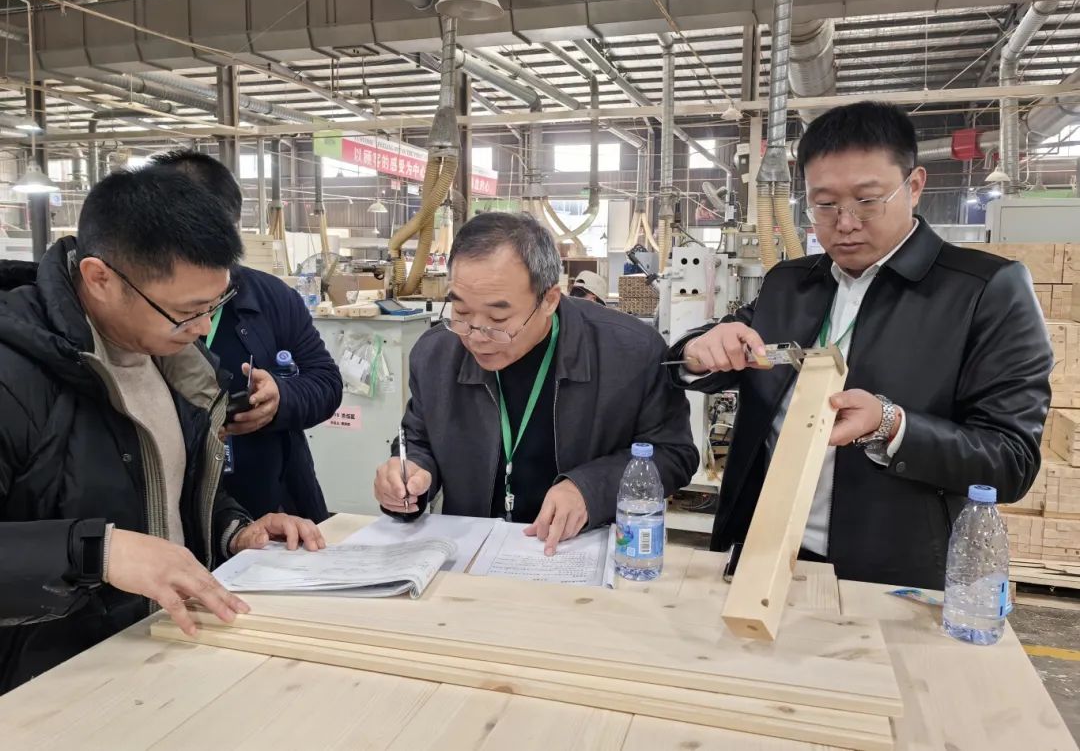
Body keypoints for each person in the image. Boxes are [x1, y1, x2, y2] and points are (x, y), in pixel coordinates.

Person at [668, 101, 1053, 589]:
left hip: (892, 571)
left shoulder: (984, 290)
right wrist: (699, 350)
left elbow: (1011, 461)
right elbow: (703, 355)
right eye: (825, 204)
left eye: (867, 200)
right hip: (761, 552)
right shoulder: (789, 283)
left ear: (914, 186)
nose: (845, 223)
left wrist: (891, 426)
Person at [0, 167, 325, 694]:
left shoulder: (174, 362)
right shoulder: (13, 375)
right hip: (49, 686)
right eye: (186, 312)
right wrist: (97, 552)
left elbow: (168, 488)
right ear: (99, 278)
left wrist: (233, 529)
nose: (203, 328)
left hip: (161, 656)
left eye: (214, 306)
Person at [373, 212, 697, 554]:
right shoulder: (436, 354)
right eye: (462, 313)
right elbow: (418, 440)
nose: (476, 335)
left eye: (498, 318)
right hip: (471, 553)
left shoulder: (630, 352)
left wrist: (590, 489)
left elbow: (673, 453)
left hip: (579, 549)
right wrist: (409, 474)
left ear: (549, 300)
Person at [149, 150, 343, 522]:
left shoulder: (271, 298)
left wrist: (281, 398)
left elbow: (326, 383)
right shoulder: (135, 311)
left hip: (272, 507)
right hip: (168, 511)